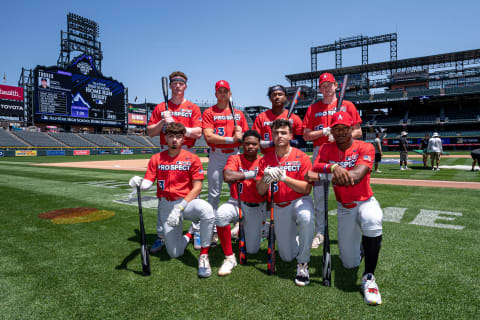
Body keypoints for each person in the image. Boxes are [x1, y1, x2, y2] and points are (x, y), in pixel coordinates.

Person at [305, 111, 384, 305]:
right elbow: (313, 169)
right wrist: (333, 167)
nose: (340, 132)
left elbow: (356, 176)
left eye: (344, 129)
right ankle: (361, 248)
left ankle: (369, 278)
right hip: (344, 208)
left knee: (372, 220)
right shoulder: (326, 147)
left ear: (352, 129)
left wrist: (328, 172)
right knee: (349, 263)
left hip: (365, 200)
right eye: (336, 129)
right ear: (331, 131)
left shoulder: (365, 146)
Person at [129, 122, 215, 278]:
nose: (174, 140)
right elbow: (148, 183)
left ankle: (204, 255)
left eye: (178, 136)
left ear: (183, 139)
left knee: (207, 209)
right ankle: (189, 234)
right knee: (175, 253)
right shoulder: (156, 158)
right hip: (166, 205)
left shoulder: (192, 158)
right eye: (171, 136)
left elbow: (197, 188)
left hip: (186, 203)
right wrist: (139, 183)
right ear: (165, 138)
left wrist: (180, 208)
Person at [302, 72, 362, 249]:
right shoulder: (313, 108)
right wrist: (324, 132)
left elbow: (358, 131)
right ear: (319, 89)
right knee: (319, 197)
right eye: (323, 86)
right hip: (321, 153)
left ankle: (350, 231)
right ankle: (320, 232)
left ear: (336, 85)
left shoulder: (347, 105)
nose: (326, 89)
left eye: (329, 85)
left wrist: (339, 136)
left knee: (346, 194)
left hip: (343, 153)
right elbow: (306, 135)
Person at [146, 71, 203, 252]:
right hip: (166, 154)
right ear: (170, 86)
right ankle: (161, 235)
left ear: (185, 86)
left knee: (194, 193)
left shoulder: (193, 108)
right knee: (164, 194)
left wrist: (180, 125)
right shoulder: (161, 108)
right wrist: (163, 121)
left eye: (181, 83)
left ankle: (196, 231)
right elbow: (150, 132)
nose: (178, 86)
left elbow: (198, 133)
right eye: (175, 83)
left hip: (187, 153)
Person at [256, 119, 314, 286]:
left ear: (290, 135)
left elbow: (306, 189)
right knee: (286, 256)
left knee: (306, 217)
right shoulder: (264, 160)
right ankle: (298, 239)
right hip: (279, 205)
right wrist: (266, 179)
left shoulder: (302, 157)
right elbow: (260, 191)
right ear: (272, 136)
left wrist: (284, 178)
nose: (279, 136)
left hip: (299, 200)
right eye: (276, 133)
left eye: (283, 132)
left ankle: (303, 263)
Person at [215, 130, 265, 276]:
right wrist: (252, 174)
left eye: (254, 144)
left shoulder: (264, 160)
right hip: (236, 202)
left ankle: (251, 228)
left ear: (259, 145)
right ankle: (230, 258)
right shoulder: (235, 158)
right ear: (242, 144)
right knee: (221, 214)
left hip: (256, 206)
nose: (250, 146)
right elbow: (228, 176)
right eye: (247, 143)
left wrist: (241, 176)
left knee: (252, 250)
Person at [202, 80, 249, 214]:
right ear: (215, 94)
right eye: (219, 91)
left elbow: (247, 138)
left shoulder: (239, 114)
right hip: (217, 155)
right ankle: (211, 228)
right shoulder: (209, 112)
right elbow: (209, 137)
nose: (222, 94)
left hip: (234, 155)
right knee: (214, 193)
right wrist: (232, 139)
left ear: (230, 93)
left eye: (225, 91)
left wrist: (242, 135)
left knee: (237, 192)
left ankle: (237, 225)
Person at [252, 85, 303, 155]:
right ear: (270, 98)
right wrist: (272, 143)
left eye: (280, 94)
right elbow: (255, 141)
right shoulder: (261, 117)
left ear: (285, 97)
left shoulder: (295, 118)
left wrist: (287, 141)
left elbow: (301, 142)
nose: (277, 97)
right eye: (274, 95)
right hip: (268, 157)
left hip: (288, 157)